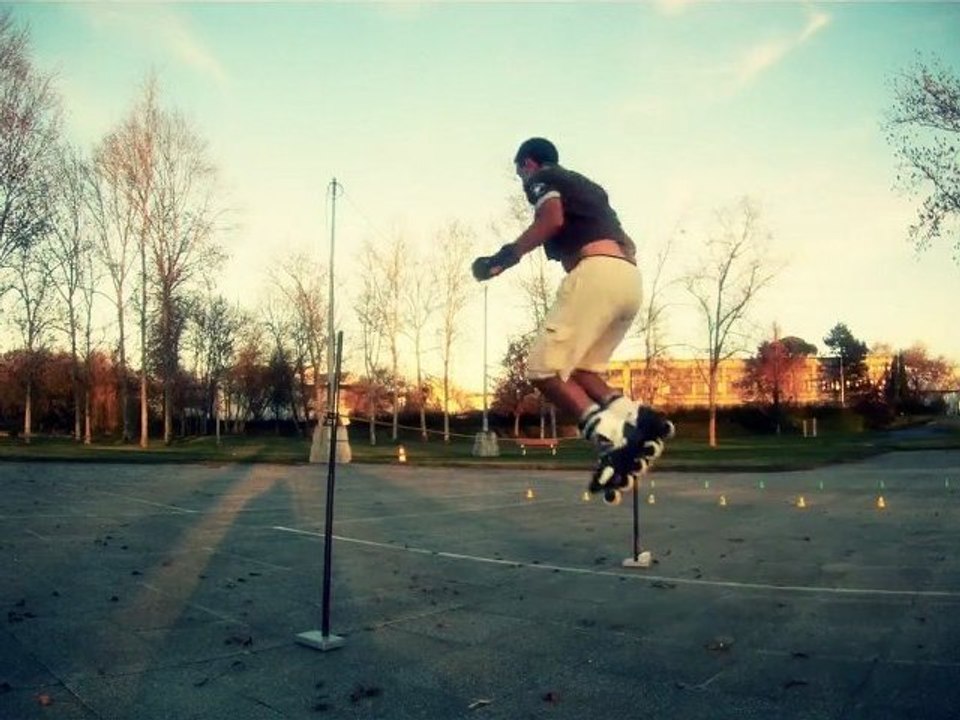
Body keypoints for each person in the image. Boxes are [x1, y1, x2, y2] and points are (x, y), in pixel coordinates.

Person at [472, 137, 671, 487]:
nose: (522, 180)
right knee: (582, 370)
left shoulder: (542, 177)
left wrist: (505, 258)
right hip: (628, 278)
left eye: (520, 172)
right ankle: (640, 419)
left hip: (595, 273)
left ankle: (612, 440)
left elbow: (551, 219)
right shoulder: (590, 188)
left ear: (528, 164)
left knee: (542, 368)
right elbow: (626, 241)